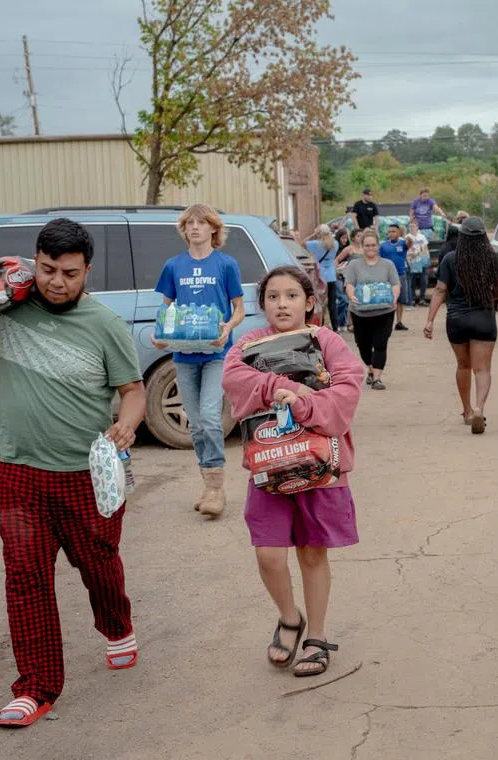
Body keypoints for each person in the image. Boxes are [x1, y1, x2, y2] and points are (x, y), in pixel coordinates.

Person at [0, 219, 147, 727]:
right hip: (18, 473)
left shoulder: (105, 324)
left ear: (87, 270)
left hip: (85, 476)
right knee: (25, 577)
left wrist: (127, 425)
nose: (57, 282)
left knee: (100, 563)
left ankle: (115, 624)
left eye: (69, 273)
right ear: (35, 261)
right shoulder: (6, 307)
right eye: (47, 269)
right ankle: (36, 687)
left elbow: (132, 390)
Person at [222, 266, 363, 677]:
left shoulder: (326, 340)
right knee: (268, 555)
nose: (281, 304)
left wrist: (302, 403)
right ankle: (289, 617)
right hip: (269, 466)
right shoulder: (248, 343)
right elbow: (234, 379)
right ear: (262, 304)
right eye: (272, 297)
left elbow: (347, 389)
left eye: (291, 296)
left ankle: (316, 637)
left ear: (309, 302)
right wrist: (276, 387)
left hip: (320, 463)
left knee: (312, 551)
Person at [154, 204, 246, 518]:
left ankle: (217, 490)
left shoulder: (226, 264)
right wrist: (161, 334)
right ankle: (207, 484)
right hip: (183, 354)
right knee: (195, 424)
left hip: (216, 353)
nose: (194, 227)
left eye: (201, 222)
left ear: (213, 229)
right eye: (189, 223)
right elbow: (166, 309)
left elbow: (239, 309)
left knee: (209, 415)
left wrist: (228, 328)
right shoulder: (173, 266)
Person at [424, 216, 498, 434]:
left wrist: (430, 320)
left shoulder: (450, 259)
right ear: (483, 237)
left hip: (457, 319)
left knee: (463, 366)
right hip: (483, 319)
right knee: (482, 369)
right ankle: (480, 407)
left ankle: (467, 411)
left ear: (462, 237)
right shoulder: (494, 259)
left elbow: (440, 290)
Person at [344, 229, 401, 389]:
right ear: (362, 246)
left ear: (378, 246)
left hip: (384, 312)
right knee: (363, 344)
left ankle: (377, 378)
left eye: (373, 245)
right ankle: (370, 368)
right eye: (367, 245)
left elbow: (395, 283)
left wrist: (394, 297)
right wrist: (351, 295)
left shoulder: (387, 265)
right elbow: (349, 284)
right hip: (360, 313)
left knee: (381, 343)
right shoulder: (354, 265)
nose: (370, 248)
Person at [306, 224, 341, 330]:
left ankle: (320, 326)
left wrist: (314, 233)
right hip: (331, 276)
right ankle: (335, 326)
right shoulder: (335, 244)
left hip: (320, 278)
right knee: (332, 304)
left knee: (319, 304)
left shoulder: (315, 244)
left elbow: (301, 243)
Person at [379, 224, 411, 329]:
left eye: (394, 231)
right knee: (388, 300)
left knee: (400, 300)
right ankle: (387, 323)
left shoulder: (403, 243)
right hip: (387, 276)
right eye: (389, 232)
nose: (391, 234)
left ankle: (399, 322)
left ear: (398, 232)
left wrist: (406, 233)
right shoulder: (383, 245)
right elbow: (379, 260)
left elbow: (410, 243)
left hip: (401, 274)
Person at [405, 219, 431, 307]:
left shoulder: (422, 237)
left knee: (424, 280)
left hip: (422, 260)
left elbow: (426, 248)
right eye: (410, 226)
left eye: (414, 226)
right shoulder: (407, 237)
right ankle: (412, 299)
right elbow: (407, 250)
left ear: (417, 227)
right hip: (412, 261)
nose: (412, 228)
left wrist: (427, 259)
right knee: (412, 281)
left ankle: (422, 299)